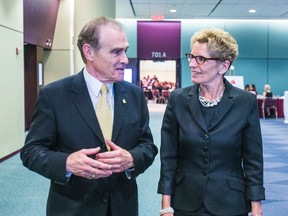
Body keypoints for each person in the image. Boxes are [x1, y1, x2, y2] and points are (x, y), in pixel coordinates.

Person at [21, 16, 158, 216]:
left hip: (122, 206)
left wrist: (131, 158)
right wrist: (66, 163)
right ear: (89, 51)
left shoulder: (135, 95)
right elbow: (31, 151)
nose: (125, 60)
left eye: (125, 51)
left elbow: (147, 146)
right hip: (73, 207)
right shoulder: (54, 95)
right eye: (116, 52)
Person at [157, 28, 265, 216]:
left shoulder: (245, 102)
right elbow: (168, 157)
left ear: (223, 66)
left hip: (230, 203)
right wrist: (166, 206)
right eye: (191, 56)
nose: (191, 64)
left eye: (201, 59)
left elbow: (253, 160)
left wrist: (256, 207)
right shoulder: (178, 100)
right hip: (185, 202)